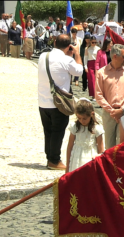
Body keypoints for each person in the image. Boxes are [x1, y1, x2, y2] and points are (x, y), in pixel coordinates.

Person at [38, 34, 83, 170]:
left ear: (55, 42)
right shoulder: (66, 60)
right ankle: (54, 160)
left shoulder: (43, 56)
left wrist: (67, 55)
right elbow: (79, 71)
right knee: (58, 131)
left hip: (43, 101)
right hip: (59, 102)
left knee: (48, 131)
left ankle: (50, 157)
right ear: (69, 45)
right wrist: (77, 53)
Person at [95, 44, 124, 149]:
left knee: (122, 145)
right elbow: (98, 95)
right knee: (109, 145)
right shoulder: (101, 73)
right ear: (115, 56)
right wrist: (112, 111)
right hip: (108, 114)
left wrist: (121, 110)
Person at [66, 99, 105, 173]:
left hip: (90, 157)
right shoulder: (75, 127)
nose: (82, 121)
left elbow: (101, 149)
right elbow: (70, 146)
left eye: (84, 118)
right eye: (79, 118)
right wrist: (68, 166)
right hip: (76, 158)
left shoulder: (96, 128)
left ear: (91, 114)